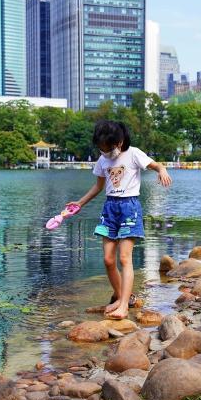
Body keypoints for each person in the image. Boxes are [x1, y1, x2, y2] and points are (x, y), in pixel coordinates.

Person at [69, 120, 172, 319]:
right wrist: (80, 203)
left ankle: (124, 305)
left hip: (129, 208)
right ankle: (121, 296)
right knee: (108, 260)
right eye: (101, 149)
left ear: (120, 141)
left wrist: (162, 170)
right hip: (110, 209)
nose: (105, 152)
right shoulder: (102, 160)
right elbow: (98, 187)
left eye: (108, 148)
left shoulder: (133, 154)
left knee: (125, 258)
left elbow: (155, 165)